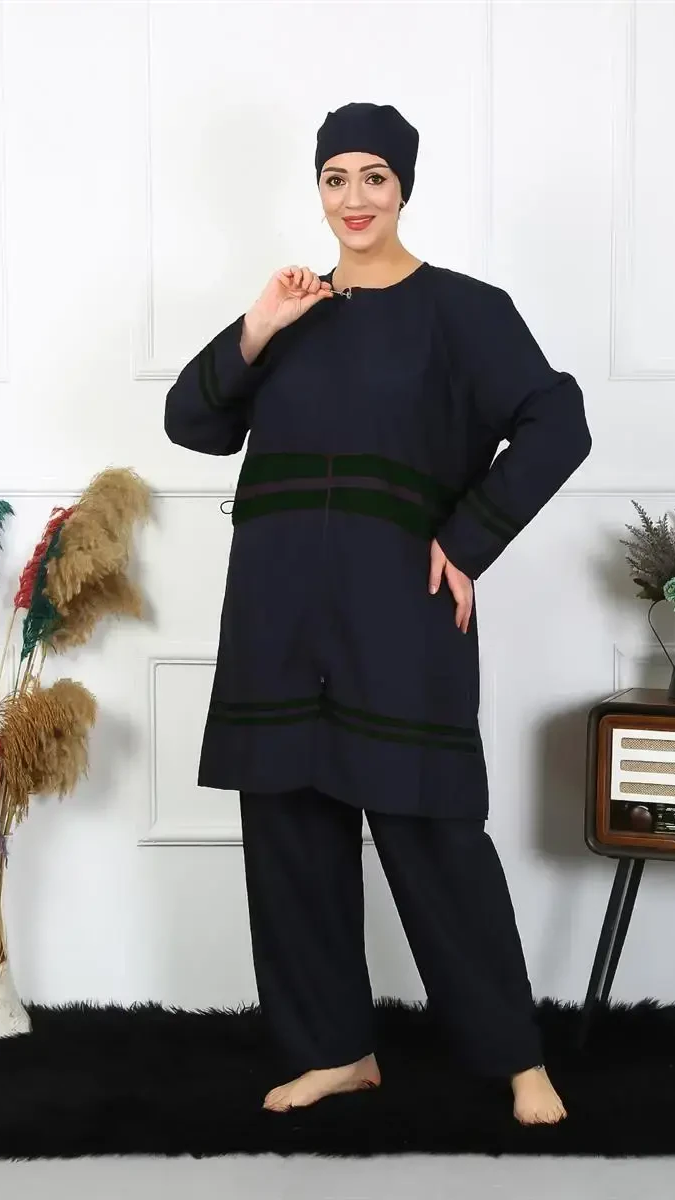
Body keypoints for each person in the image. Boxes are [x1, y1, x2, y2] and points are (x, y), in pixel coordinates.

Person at [164, 101, 591, 1126]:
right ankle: (334, 1052)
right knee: (290, 837)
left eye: (373, 177)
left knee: (433, 835)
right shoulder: (292, 314)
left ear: (402, 187)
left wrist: (470, 536)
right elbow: (190, 421)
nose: (353, 199)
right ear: (317, 189)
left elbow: (557, 420)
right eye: (335, 178)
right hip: (276, 620)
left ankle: (516, 1058)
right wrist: (260, 323)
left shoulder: (463, 311)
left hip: (399, 613)